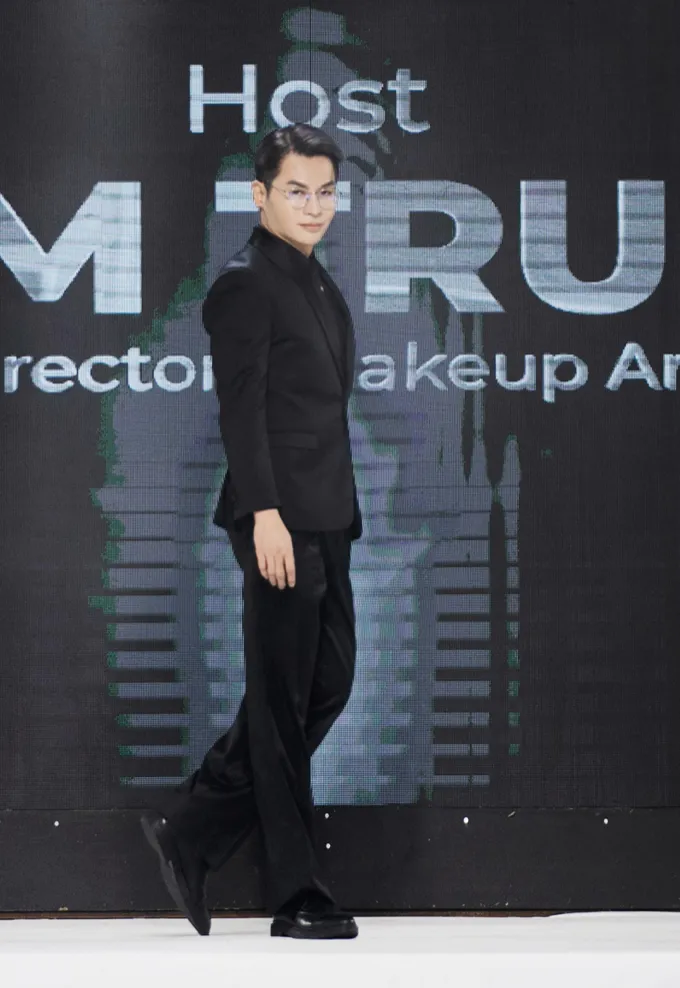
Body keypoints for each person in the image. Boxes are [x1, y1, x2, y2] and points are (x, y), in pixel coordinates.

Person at [141, 123, 363, 940]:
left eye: (326, 192)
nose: (314, 207)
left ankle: (192, 826)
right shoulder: (246, 284)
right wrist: (265, 514)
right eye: (297, 191)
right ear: (260, 194)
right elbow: (241, 411)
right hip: (279, 520)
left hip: (328, 515)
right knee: (279, 705)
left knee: (324, 686)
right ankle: (298, 892)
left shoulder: (312, 277)